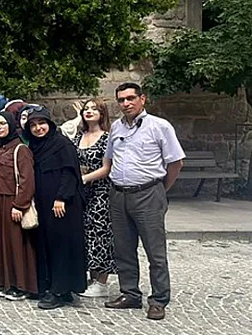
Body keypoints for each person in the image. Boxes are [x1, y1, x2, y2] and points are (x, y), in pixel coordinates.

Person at [102, 82, 185, 321]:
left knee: (155, 250)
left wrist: (160, 189)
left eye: (130, 98)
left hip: (148, 193)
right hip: (118, 194)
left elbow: (175, 163)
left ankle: (159, 300)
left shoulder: (160, 126)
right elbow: (110, 159)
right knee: (124, 248)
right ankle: (130, 293)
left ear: (142, 99)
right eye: (121, 100)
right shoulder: (116, 127)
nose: (126, 103)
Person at [24, 106, 87, 309]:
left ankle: (60, 290)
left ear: (49, 124)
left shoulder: (61, 144)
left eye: (41, 123)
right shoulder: (36, 146)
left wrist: (62, 197)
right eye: (33, 125)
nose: (38, 128)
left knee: (62, 245)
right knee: (48, 244)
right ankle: (54, 285)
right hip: (44, 203)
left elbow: (70, 172)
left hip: (63, 204)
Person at [0, 112, 38, 301]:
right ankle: (7, 282)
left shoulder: (21, 150)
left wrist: (20, 205)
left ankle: (21, 285)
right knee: (0, 243)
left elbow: (27, 179)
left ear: (11, 125)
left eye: (2, 123)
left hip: (12, 202)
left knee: (16, 244)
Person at [73, 99, 115, 298]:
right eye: (86, 109)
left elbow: (107, 168)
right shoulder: (79, 136)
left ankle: (102, 281)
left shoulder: (107, 138)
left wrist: (83, 178)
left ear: (102, 113)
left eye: (94, 109)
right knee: (85, 233)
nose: (89, 112)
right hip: (82, 192)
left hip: (100, 191)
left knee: (100, 233)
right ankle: (92, 275)